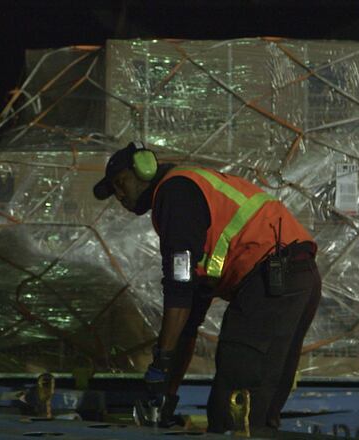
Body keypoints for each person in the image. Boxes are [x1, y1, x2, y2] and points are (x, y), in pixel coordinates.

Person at [92, 141, 322, 436]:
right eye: (114, 192)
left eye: (121, 183)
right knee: (254, 413)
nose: (121, 196)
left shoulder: (175, 194)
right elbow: (187, 318)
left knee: (233, 409)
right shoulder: (194, 201)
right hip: (294, 280)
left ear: (144, 168)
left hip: (273, 278)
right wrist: (167, 395)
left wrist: (161, 359)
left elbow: (178, 285)